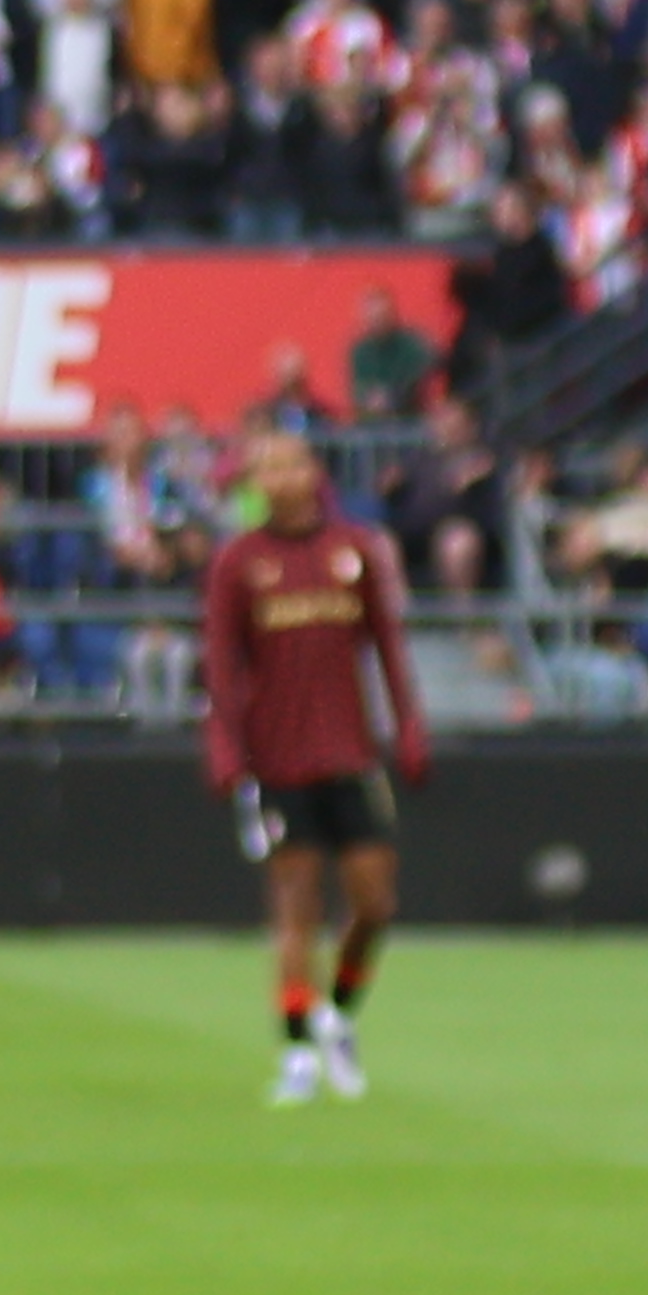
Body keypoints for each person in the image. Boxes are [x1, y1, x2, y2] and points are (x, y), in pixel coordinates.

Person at [202, 428, 427, 1103]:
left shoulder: (354, 551)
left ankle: (339, 1014)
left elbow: (387, 645)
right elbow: (221, 666)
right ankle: (297, 1050)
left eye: (289, 464)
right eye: (265, 468)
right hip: (278, 760)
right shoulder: (238, 562)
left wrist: (409, 727)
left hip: (350, 752)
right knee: (295, 909)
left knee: (375, 903)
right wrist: (225, 749)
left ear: (313, 474)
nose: (278, 478)